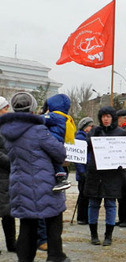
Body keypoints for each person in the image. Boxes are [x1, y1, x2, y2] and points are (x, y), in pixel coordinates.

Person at [0, 92, 69, 262]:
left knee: (27, 224)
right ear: (32, 108)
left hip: (19, 184)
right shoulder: (38, 130)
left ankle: (25, 259)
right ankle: (55, 256)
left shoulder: (7, 131)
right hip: (43, 183)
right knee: (53, 218)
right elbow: (59, 154)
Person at [84, 106, 126, 246]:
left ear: (113, 118)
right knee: (93, 204)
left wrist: (123, 161)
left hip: (112, 175)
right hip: (95, 174)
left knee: (110, 204)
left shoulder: (121, 133)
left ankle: (108, 236)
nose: (106, 119)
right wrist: (93, 135)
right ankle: (93, 235)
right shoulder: (95, 131)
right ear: (100, 118)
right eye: (103, 116)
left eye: (108, 116)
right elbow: (86, 147)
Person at [42, 94, 76, 192]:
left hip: (52, 142)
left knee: (54, 161)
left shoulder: (55, 116)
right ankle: (61, 178)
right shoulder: (65, 117)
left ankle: (62, 179)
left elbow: (40, 119)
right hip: (58, 143)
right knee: (56, 162)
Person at [0, 97, 16, 253]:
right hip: (3, 171)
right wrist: (11, 161)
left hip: (7, 176)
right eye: (5, 108)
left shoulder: (8, 127)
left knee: (8, 213)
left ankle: (12, 244)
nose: (7, 111)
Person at [74, 117, 94, 225]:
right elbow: (78, 159)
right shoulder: (80, 138)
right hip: (83, 171)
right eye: (90, 126)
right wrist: (82, 172)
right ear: (85, 127)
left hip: (87, 170)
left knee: (86, 195)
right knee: (83, 195)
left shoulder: (87, 137)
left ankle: (85, 217)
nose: (91, 128)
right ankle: (82, 217)